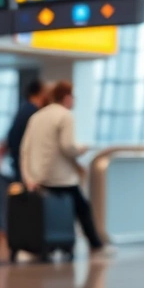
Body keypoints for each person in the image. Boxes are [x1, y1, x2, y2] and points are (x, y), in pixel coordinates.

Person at [20, 81, 108, 255]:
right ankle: (96, 244)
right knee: (82, 208)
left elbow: (25, 149)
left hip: (38, 176)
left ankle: (37, 247)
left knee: (44, 213)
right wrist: (82, 148)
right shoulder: (65, 116)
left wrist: (28, 177)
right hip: (60, 177)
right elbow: (68, 147)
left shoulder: (37, 116)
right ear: (67, 97)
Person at [5, 80, 47, 184]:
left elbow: (11, 136)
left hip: (18, 159)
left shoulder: (24, 108)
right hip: (25, 163)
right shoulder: (32, 112)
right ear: (41, 92)